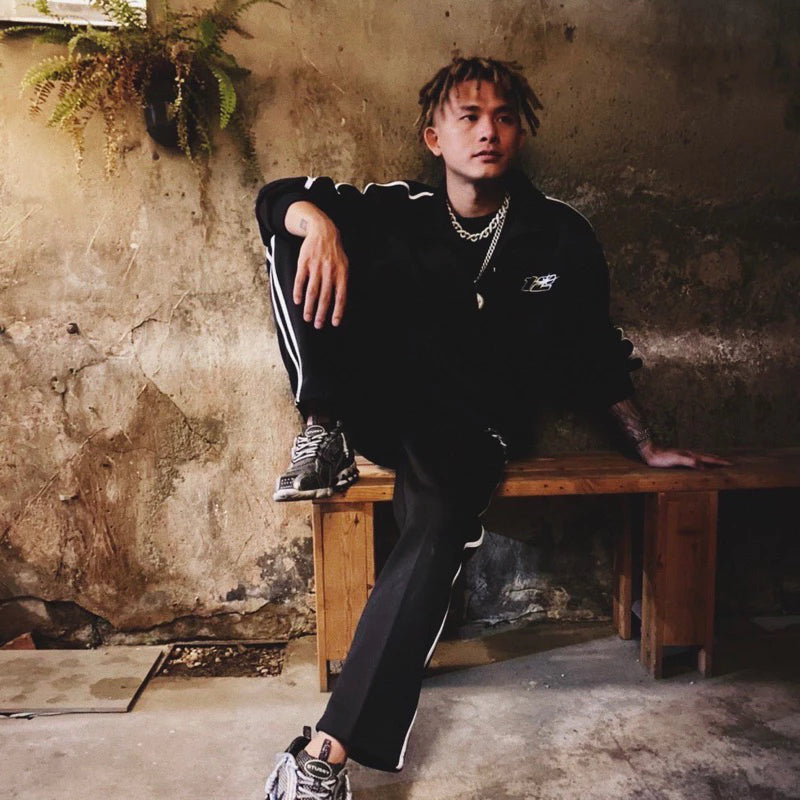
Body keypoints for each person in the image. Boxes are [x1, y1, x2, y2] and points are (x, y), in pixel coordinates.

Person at [255, 55, 728, 800]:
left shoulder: (559, 236)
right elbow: (276, 199)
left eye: (504, 118)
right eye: (469, 117)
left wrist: (645, 443)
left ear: (521, 135)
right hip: (376, 407)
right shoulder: (397, 209)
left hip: (472, 427)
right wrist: (319, 226)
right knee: (298, 236)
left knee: (435, 524)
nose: (488, 131)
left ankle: (323, 755)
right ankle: (322, 427)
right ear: (435, 137)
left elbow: (594, 356)